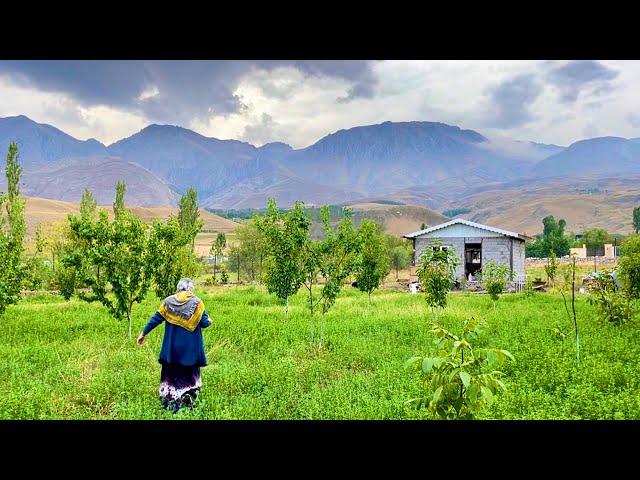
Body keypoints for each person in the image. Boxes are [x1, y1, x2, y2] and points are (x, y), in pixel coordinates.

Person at [137, 278, 212, 412]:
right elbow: (205, 323)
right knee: (190, 375)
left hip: (172, 350)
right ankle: (189, 402)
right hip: (190, 351)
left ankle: (170, 404)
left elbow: (156, 318)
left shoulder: (168, 302)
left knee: (171, 376)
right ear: (191, 289)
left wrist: (143, 333)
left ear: (179, 288)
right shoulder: (197, 303)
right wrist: (209, 320)